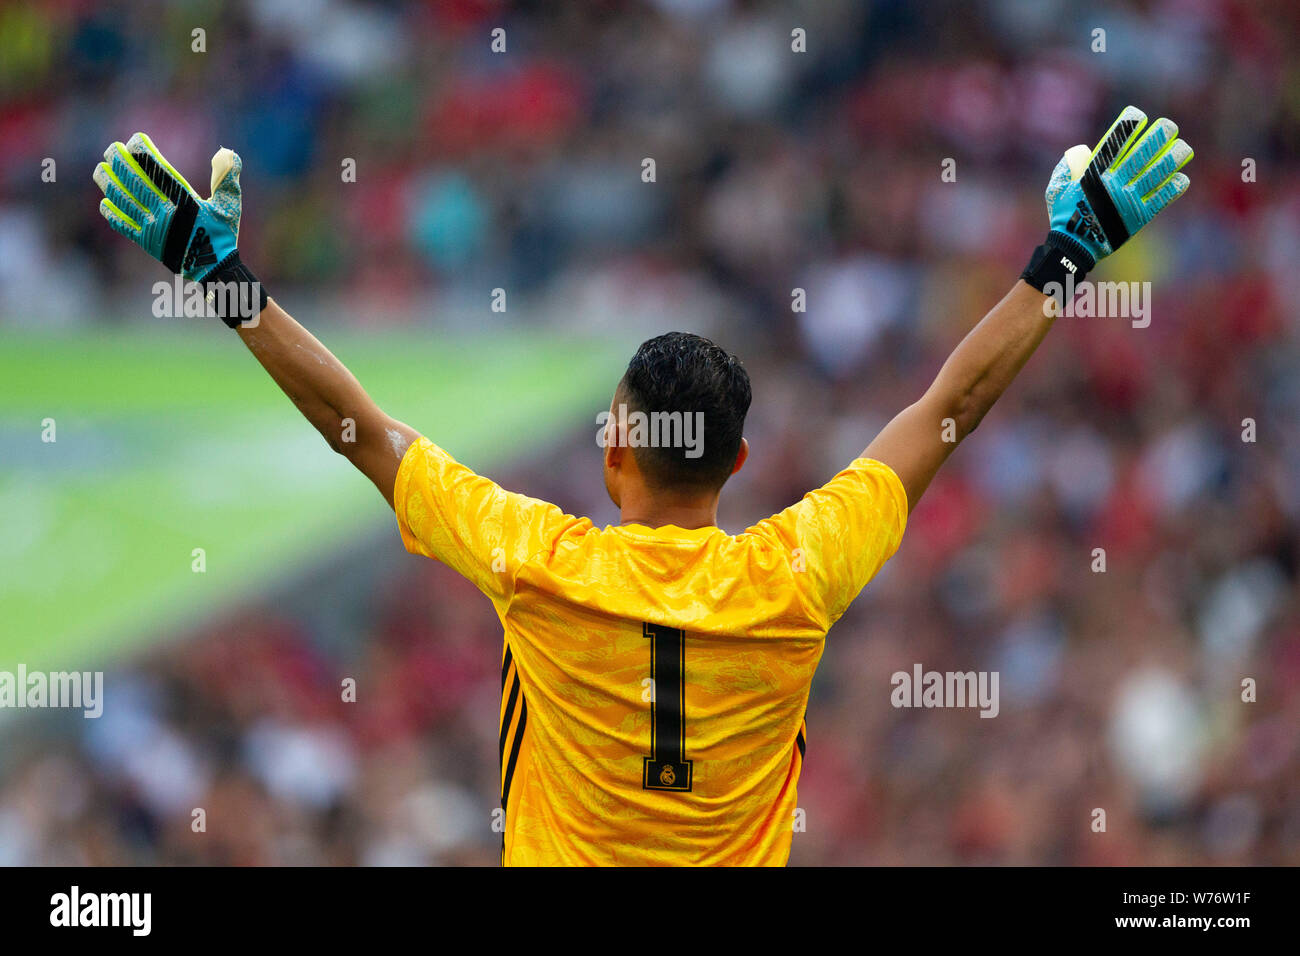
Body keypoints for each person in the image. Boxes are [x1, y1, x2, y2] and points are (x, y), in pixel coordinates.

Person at [93, 107, 1191, 865]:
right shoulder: (796, 570)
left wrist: (221, 278)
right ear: (741, 465)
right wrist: (1068, 253)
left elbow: (360, 432)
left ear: (614, 451)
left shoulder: (536, 560)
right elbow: (949, 408)